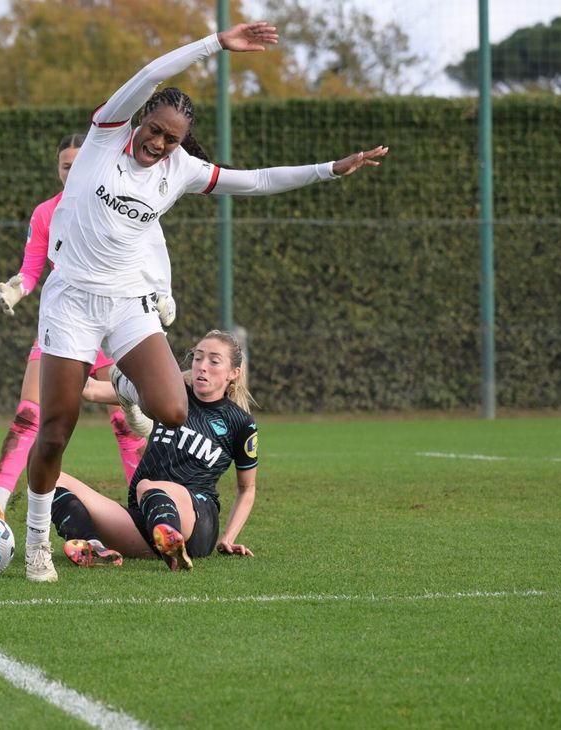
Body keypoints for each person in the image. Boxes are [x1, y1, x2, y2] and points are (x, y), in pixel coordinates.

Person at [23, 21, 388, 582]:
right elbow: (150, 74)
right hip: (70, 299)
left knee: (170, 408)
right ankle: (36, 543)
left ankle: (122, 383)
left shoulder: (180, 170)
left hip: (126, 302)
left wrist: (330, 171)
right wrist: (216, 44)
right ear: (141, 118)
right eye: (156, 129)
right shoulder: (104, 134)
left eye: (170, 138)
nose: (159, 143)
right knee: (55, 430)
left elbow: (257, 181)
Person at [0, 133, 157, 520]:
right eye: (65, 166)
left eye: (80, 164)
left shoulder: (116, 205)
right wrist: (18, 287)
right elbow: (31, 267)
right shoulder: (46, 212)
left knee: (129, 421)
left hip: (109, 327)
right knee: (30, 416)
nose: (73, 172)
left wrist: (158, 291)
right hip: (62, 326)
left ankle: (146, 507)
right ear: (58, 170)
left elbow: (142, 257)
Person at [51, 329, 258, 571]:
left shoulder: (240, 423)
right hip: (146, 519)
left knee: (147, 486)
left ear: (234, 373)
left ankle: (173, 545)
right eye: (198, 357)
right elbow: (91, 390)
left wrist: (228, 539)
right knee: (50, 479)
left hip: (197, 520)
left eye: (214, 361)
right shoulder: (169, 397)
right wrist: (62, 348)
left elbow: (247, 489)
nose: (202, 366)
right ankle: (93, 546)